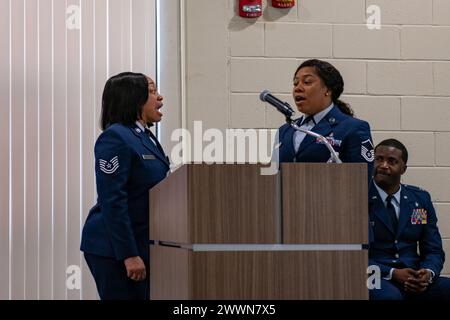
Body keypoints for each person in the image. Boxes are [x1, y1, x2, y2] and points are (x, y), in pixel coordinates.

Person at [80, 72, 170, 300]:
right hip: (113, 249)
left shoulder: (145, 137)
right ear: (133, 98)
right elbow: (113, 201)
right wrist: (129, 255)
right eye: (151, 91)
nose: (160, 98)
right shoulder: (115, 137)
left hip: (140, 244)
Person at [369, 138, 450, 300]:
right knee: (390, 297)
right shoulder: (356, 197)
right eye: (379, 159)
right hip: (374, 275)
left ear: (403, 169)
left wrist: (427, 273)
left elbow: (433, 249)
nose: (383, 165)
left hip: (413, 274)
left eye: (392, 161)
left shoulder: (420, 199)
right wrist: (392, 273)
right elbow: (352, 254)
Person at [276, 59, 374, 177]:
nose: (298, 88)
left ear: (327, 89)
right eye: (295, 83)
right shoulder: (285, 131)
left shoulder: (353, 128)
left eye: (307, 82)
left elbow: (362, 180)